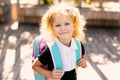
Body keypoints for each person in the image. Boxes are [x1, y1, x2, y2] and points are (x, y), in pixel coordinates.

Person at [32, 2, 87, 80]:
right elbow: (35, 66)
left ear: (74, 25)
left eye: (67, 24)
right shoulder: (51, 50)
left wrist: (83, 61)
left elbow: (83, 54)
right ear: (52, 28)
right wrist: (50, 74)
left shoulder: (77, 44)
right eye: (58, 25)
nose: (63, 28)